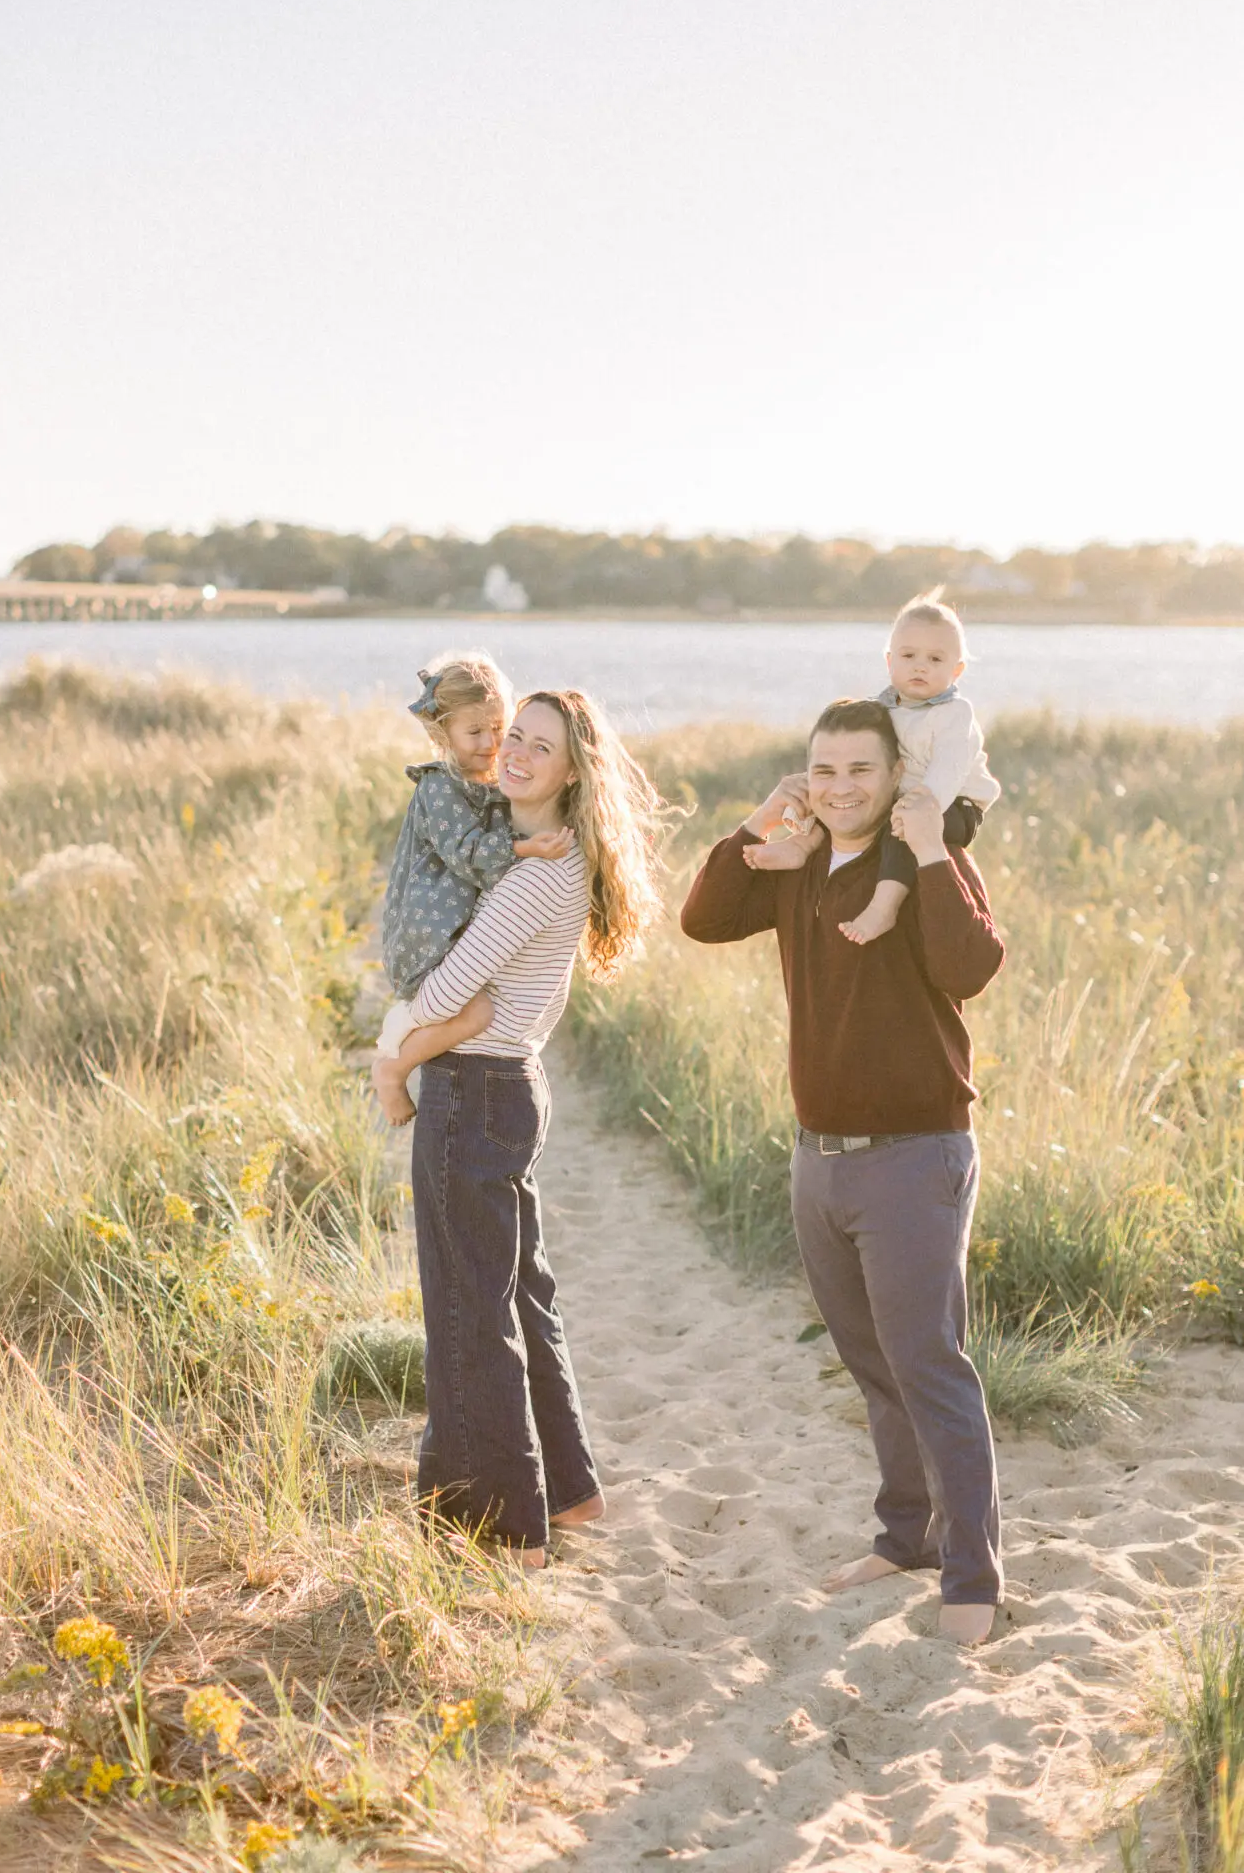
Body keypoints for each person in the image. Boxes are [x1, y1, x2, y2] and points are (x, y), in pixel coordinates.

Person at [680, 696, 1006, 1643]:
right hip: (817, 1159)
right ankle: (903, 1538)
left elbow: (967, 967)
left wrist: (935, 850)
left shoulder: (923, 862)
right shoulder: (801, 865)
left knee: (927, 1365)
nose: (840, 787)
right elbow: (704, 918)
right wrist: (756, 822)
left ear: (897, 775)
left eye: (858, 769)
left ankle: (970, 1580)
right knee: (871, 1365)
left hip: (914, 1157)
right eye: (822, 770)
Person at [402, 689, 667, 1565]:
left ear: (570, 771)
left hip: (473, 1092)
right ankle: (570, 1492)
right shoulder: (548, 864)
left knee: (466, 1307)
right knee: (517, 1295)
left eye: (539, 745)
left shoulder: (532, 877)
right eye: (513, 734)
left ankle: (507, 1528)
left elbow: (446, 996)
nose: (514, 751)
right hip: (506, 1085)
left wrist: (392, 1060)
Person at [372, 652, 574, 1126]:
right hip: (424, 936)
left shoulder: (489, 783)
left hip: (452, 929)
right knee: (477, 1010)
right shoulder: (439, 788)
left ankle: (402, 1038)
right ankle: (393, 1066)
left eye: (500, 728)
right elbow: (466, 851)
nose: (492, 743)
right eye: (475, 732)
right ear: (443, 734)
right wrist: (524, 850)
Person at [748, 591, 1000, 947]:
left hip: (954, 806)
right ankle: (802, 844)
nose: (920, 666)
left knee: (901, 834)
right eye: (909, 656)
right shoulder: (883, 709)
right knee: (842, 796)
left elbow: (950, 768)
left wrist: (923, 805)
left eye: (935, 658)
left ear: (956, 670)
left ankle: (884, 905)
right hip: (904, 799)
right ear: (889, 661)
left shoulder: (954, 715)